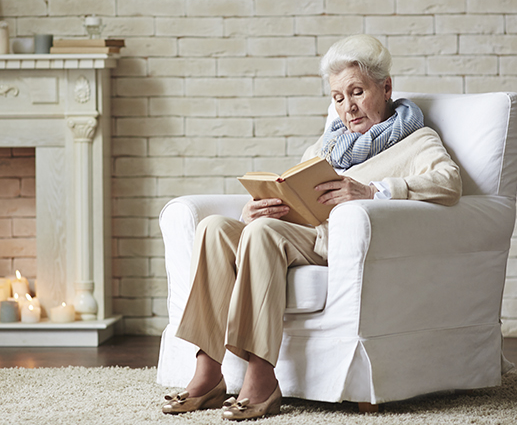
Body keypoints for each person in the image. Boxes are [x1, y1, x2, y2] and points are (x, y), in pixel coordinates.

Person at [162, 34, 462, 420]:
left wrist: (374, 191)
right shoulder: (325, 146)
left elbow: (449, 181)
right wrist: (258, 210)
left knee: (261, 234)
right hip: (299, 234)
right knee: (216, 228)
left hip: (336, 243)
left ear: (385, 88)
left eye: (357, 92)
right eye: (338, 98)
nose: (348, 108)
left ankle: (262, 375)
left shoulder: (416, 138)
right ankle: (208, 370)